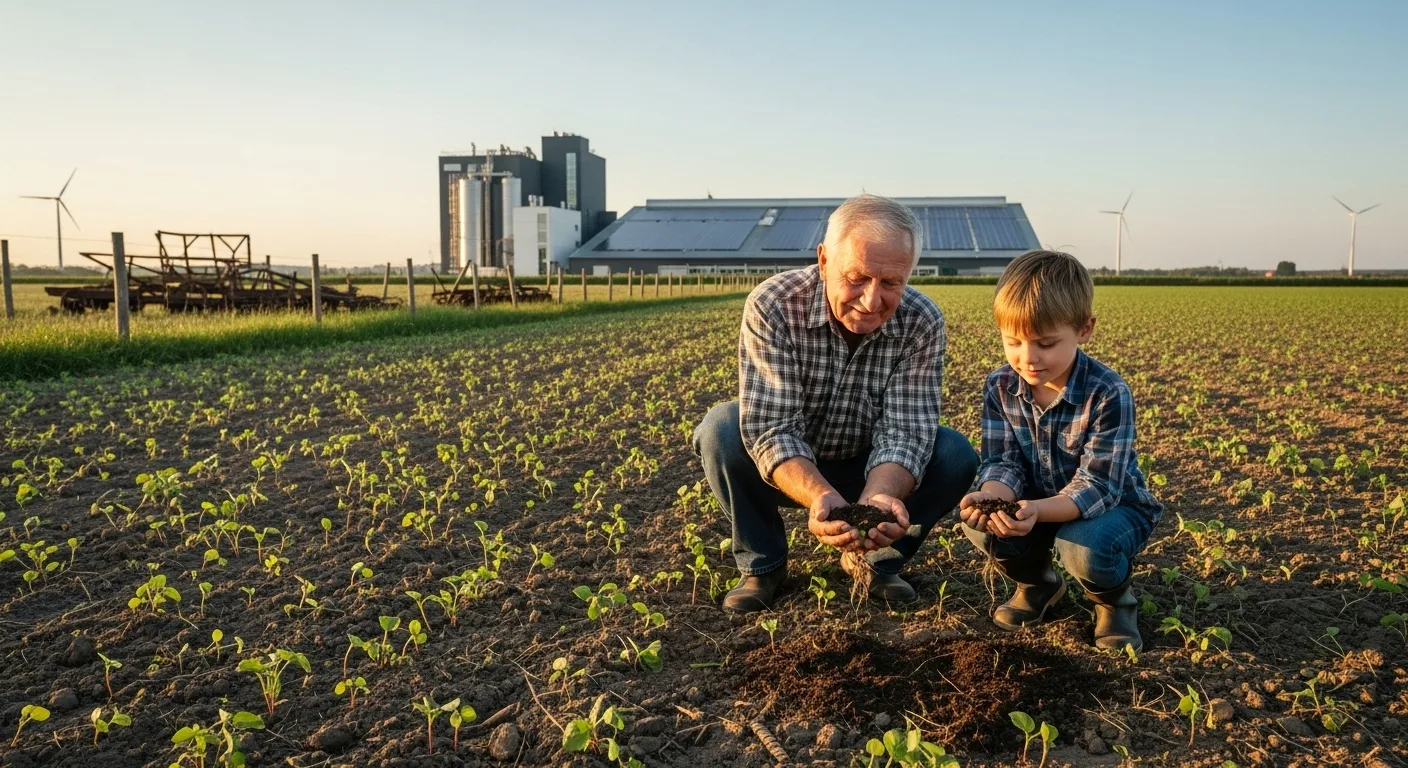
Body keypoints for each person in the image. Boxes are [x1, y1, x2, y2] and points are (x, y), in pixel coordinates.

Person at [692, 194, 978, 614]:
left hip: (868, 465)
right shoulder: (774, 304)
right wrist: (821, 496)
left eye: (891, 283)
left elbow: (907, 431)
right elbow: (772, 428)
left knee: (953, 454)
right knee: (721, 429)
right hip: (793, 469)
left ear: (908, 275)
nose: (871, 299)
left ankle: (878, 559)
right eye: (857, 277)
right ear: (824, 261)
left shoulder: (922, 320)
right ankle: (763, 565)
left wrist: (877, 501)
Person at [957, 250, 1162, 650]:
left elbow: (1099, 485)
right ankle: (1038, 585)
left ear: (1084, 330)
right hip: (1036, 505)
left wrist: (1034, 510)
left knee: (1081, 547)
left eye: (1046, 343)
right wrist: (994, 498)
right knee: (977, 523)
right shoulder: (1001, 385)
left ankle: (1115, 602)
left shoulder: (1107, 391)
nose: (1028, 358)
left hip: (1114, 508)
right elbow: (1004, 460)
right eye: (1013, 341)